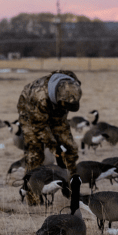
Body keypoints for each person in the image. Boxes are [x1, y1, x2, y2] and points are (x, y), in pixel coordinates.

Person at [16, 70, 82, 204]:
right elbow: (40, 128)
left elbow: (61, 125)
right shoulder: (39, 97)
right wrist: (55, 149)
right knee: (35, 152)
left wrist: (64, 153)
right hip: (30, 112)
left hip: (56, 110)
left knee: (71, 148)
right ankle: (32, 194)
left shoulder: (71, 84)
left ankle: (71, 187)